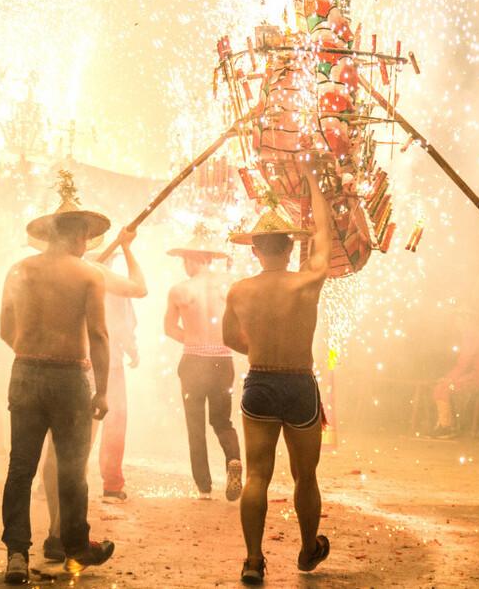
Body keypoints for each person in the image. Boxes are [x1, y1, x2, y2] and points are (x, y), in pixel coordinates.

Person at [0, 180, 117, 584]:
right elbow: (99, 335)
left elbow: (4, 328)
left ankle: (16, 553)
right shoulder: (88, 275)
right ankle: (76, 548)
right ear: (81, 234)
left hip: (25, 373)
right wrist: (101, 389)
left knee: (21, 467)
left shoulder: (20, 269)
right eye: (86, 234)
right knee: (71, 469)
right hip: (70, 378)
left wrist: (31, 353)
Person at [222, 163, 332, 585]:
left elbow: (231, 337)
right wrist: (313, 183)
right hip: (299, 383)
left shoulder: (239, 291)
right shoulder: (306, 283)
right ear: (289, 248)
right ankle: (307, 550)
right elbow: (323, 237)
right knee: (306, 475)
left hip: (260, 383)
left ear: (255, 250)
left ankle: (253, 560)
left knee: (256, 475)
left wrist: (263, 349)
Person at [40, 227, 145, 562]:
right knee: (74, 457)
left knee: (55, 455)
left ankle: (55, 533)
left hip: (47, 366)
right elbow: (140, 288)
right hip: (81, 369)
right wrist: (128, 248)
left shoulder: (36, 271)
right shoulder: (93, 271)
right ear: (77, 240)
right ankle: (61, 534)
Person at [164, 223, 242, 500]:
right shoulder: (229, 287)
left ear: (190, 259)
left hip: (194, 359)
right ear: (209, 258)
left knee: (195, 424)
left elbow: (169, 328)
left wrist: (193, 339)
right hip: (223, 360)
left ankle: (204, 487)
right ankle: (233, 459)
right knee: (222, 421)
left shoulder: (180, 290)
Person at [427, 320, 479, 438]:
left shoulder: (472, 335)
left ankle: (447, 427)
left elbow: (464, 362)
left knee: (442, 389)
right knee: (443, 387)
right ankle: (445, 425)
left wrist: (448, 379)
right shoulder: (476, 334)